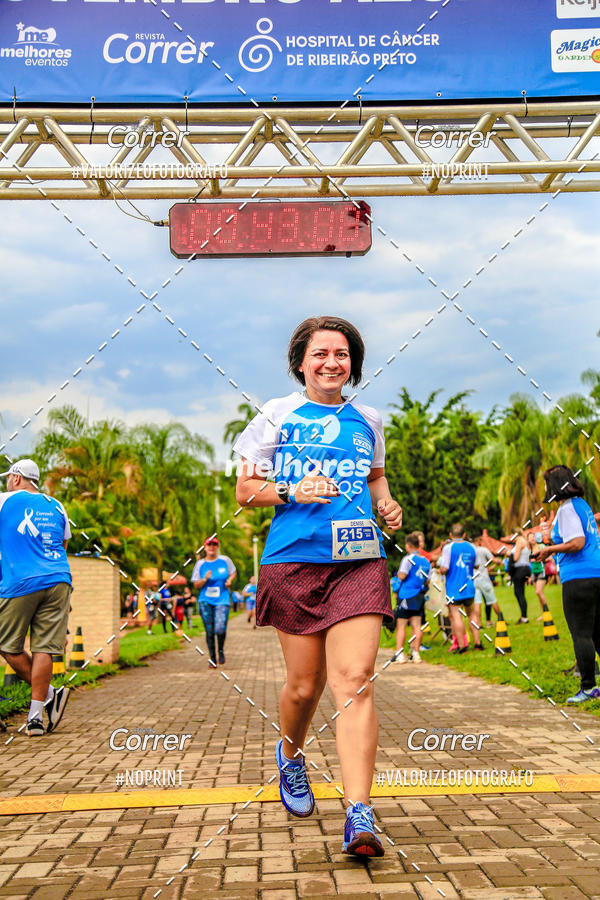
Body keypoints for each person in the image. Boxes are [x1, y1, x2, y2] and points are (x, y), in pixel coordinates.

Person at [233, 315, 403, 858]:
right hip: (293, 562)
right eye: (321, 353)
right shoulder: (275, 415)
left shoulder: (368, 418)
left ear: (352, 363)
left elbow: (374, 475)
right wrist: (291, 488)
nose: (332, 362)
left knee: (354, 679)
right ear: (301, 362)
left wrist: (386, 503)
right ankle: (291, 755)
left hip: (358, 560)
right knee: (304, 687)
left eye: (342, 354)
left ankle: (359, 814)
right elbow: (244, 488)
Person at [0, 459, 71, 736]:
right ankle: (35, 719)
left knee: (7, 645)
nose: (6, 481)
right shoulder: (56, 505)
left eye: (8, 477)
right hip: (58, 579)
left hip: (21, 582)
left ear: (17, 478)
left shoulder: (4, 500)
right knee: (44, 648)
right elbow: (63, 545)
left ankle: (52, 693)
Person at [535, 465, 600, 703]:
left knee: (581, 634)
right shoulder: (582, 505)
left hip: (579, 578)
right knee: (597, 633)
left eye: (545, 483)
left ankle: (588, 687)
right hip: (596, 572)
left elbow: (577, 542)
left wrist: (550, 549)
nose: (544, 488)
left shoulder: (566, 509)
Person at [438, 524, 483, 652]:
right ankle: (478, 643)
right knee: (472, 615)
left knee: (456, 615)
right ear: (464, 535)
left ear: (451, 535)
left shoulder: (448, 548)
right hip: (469, 586)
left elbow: (445, 568)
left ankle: (463, 646)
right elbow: (477, 565)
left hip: (453, 588)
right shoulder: (472, 547)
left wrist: (440, 570)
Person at [192, 537, 236, 666]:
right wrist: (204, 579)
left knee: (220, 628)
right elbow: (196, 585)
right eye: (209, 545)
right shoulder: (200, 564)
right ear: (205, 548)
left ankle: (221, 650)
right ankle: (212, 658)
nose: (212, 547)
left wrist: (229, 581)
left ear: (217, 547)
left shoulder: (225, 560)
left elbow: (233, 572)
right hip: (205, 600)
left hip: (222, 599)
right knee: (209, 630)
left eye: (214, 545)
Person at [394, 533, 430, 664]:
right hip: (419, 596)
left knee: (401, 625)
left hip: (406, 595)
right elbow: (427, 581)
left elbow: (402, 576)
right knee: (417, 626)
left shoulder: (408, 559)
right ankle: (416, 654)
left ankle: (399, 654)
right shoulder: (426, 561)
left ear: (408, 546)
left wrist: (397, 575)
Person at [473, 536, 501, 628]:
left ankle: (479, 624)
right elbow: (493, 559)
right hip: (484, 579)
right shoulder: (483, 550)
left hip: (474, 580)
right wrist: (499, 561)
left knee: (477, 602)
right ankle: (501, 620)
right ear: (478, 540)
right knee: (492, 599)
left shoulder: (470, 551)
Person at [510, 529, 531, 624]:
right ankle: (524, 616)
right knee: (521, 592)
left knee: (519, 593)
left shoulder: (519, 541)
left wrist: (510, 554)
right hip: (526, 568)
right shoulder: (526, 541)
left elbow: (515, 558)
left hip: (520, 569)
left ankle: (524, 617)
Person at [528, 531, 550, 619]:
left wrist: (539, 559)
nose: (532, 538)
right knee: (538, 594)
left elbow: (549, 558)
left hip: (542, 571)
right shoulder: (529, 550)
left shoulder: (541, 546)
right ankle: (543, 614)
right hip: (533, 572)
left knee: (539, 591)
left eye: (533, 536)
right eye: (530, 537)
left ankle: (547, 612)